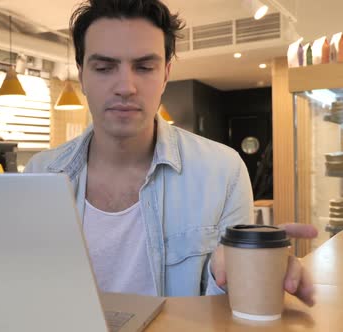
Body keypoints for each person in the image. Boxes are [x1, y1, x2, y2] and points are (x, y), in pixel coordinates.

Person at [25, 0, 315, 305]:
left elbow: (226, 310)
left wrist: (250, 272)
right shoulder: (40, 173)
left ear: (165, 74)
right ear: (82, 76)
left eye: (144, 67)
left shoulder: (222, 171)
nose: (125, 86)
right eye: (104, 67)